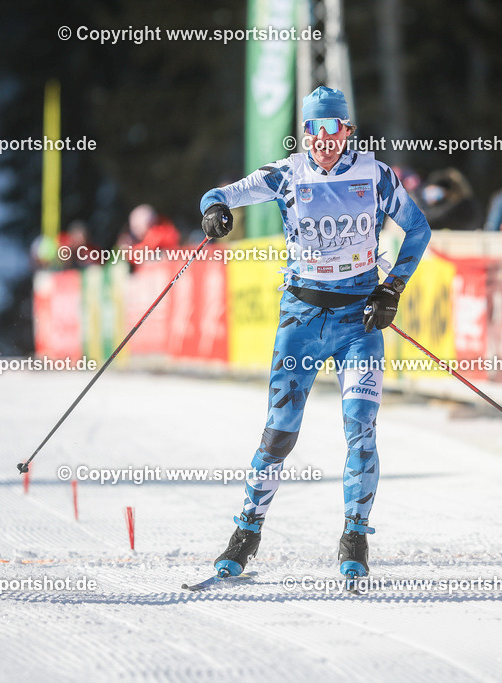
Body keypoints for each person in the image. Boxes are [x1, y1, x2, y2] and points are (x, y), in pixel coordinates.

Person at [197, 86, 431, 579]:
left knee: (361, 428)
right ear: (304, 133)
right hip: (301, 321)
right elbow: (220, 195)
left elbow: (418, 228)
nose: (324, 139)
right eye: (314, 129)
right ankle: (246, 532)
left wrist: (392, 288)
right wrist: (214, 211)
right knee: (279, 432)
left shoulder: (375, 174)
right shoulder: (287, 174)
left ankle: (354, 537)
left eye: (333, 128)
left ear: (348, 130)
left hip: (356, 324)